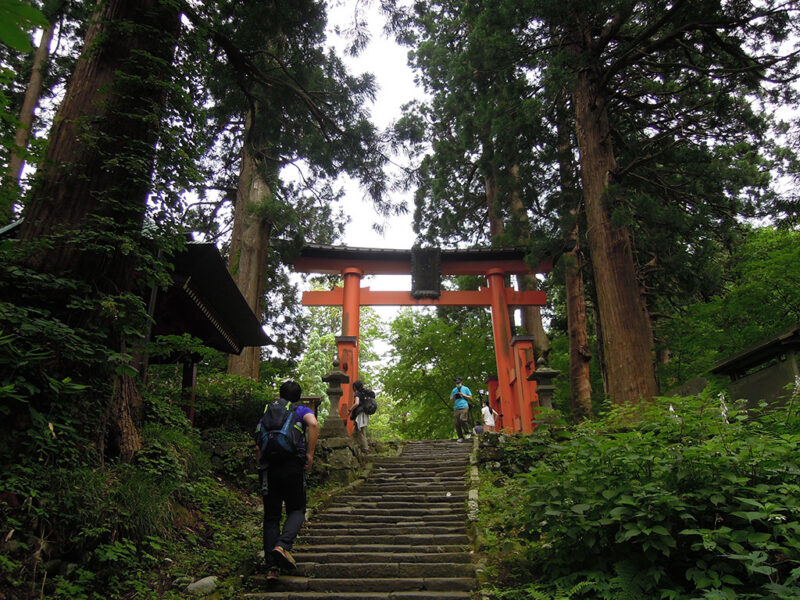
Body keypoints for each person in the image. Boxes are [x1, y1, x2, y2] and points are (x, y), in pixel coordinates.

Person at [256, 380, 319, 581]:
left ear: (280, 394)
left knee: (271, 516)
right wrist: (310, 453)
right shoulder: (300, 410)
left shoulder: (269, 409)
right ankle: (282, 546)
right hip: (292, 466)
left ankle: (271, 569)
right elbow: (314, 424)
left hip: (269, 468)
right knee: (297, 509)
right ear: (298, 396)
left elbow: (259, 438)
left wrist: (261, 462)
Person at [348, 379, 370, 452]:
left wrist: (350, 409)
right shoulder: (364, 394)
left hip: (360, 415)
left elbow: (357, 403)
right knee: (356, 431)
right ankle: (351, 446)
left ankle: (366, 449)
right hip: (364, 414)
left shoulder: (357, 393)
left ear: (355, 387)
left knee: (361, 432)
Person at [450, 377, 473, 442]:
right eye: (456, 383)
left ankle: (467, 433)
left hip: (464, 406)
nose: (458, 384)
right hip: (456, 408)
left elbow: (471, 398)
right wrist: (454, 397)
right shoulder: (454, 390)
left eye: (458, 383)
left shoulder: (466, 388)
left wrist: (463, 395)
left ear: (461, 382)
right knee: (456, 423)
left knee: (462, 419)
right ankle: (460, 437)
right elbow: (451, 400)